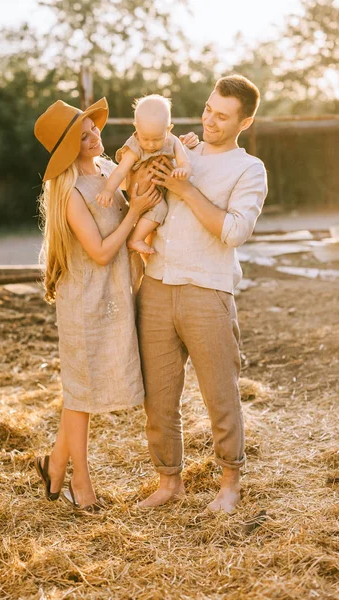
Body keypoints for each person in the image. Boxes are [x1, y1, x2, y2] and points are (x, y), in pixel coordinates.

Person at [137, 75, 268, 513]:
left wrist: (185, 189)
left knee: (220, 392)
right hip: (156, 284)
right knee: (158, 396)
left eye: (222, 116)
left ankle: (230, 482)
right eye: (209, 109)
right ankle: (169, 481)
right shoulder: (182, 148)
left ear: (244, 122)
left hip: (207, 290)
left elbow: (233, 231)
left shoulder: (249, 169)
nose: (210, 119)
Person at [33, 97, 162, 511]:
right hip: (85, 300)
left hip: (113, 294)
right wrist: (136, 210)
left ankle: (55, 464)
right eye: (83, 136)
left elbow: (146, 162)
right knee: (81, 396)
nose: (95, 138)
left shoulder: (108, 170)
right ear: (67, 148)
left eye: (93, 129)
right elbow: (102, 251)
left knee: (82, 391)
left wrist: (184, 144)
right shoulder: (70, 191)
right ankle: (80, 484)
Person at [95, 94, 192, 255]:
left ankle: (146, 243)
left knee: (166, 211)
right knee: (160, 209)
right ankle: (136, 239)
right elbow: (120, 171)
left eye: (157, 139)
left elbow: (185, 162)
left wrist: (183, 171)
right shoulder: (135, 146)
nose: (151, 144)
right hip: (141, 190)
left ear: (168, 130)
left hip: (158, 190)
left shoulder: (173, 141)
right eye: (145, 138)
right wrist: (108, 190)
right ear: (136, 129)